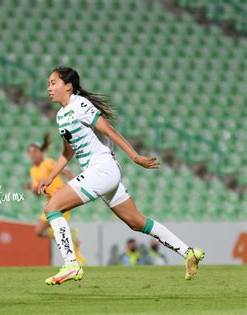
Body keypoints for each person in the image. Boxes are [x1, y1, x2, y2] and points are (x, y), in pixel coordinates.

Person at [39, 66, 204, 285]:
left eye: (53, 83)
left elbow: (110, 131)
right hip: (100, 173)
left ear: (68, 86)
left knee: (52, 208)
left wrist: (135, 156)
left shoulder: (80, 105)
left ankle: (70, 264)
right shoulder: (62, 116)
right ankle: (189, 252)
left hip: (102, 169)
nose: (49, 88)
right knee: (136, 222)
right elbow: (67, 152)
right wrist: (50, 177)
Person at [24, 133, 86, 265]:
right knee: (39, 231)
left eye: (34, 151)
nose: (32, 155)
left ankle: (77, 261)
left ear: (40, 152)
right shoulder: (33, 170)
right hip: (50, 203)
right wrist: (31, 188)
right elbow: (37, 191)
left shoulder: (48, 162)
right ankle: (72, 237)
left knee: (60, 235)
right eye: (29, 153)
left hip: (61, 200)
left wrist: (74, 186)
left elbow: (65, 171)